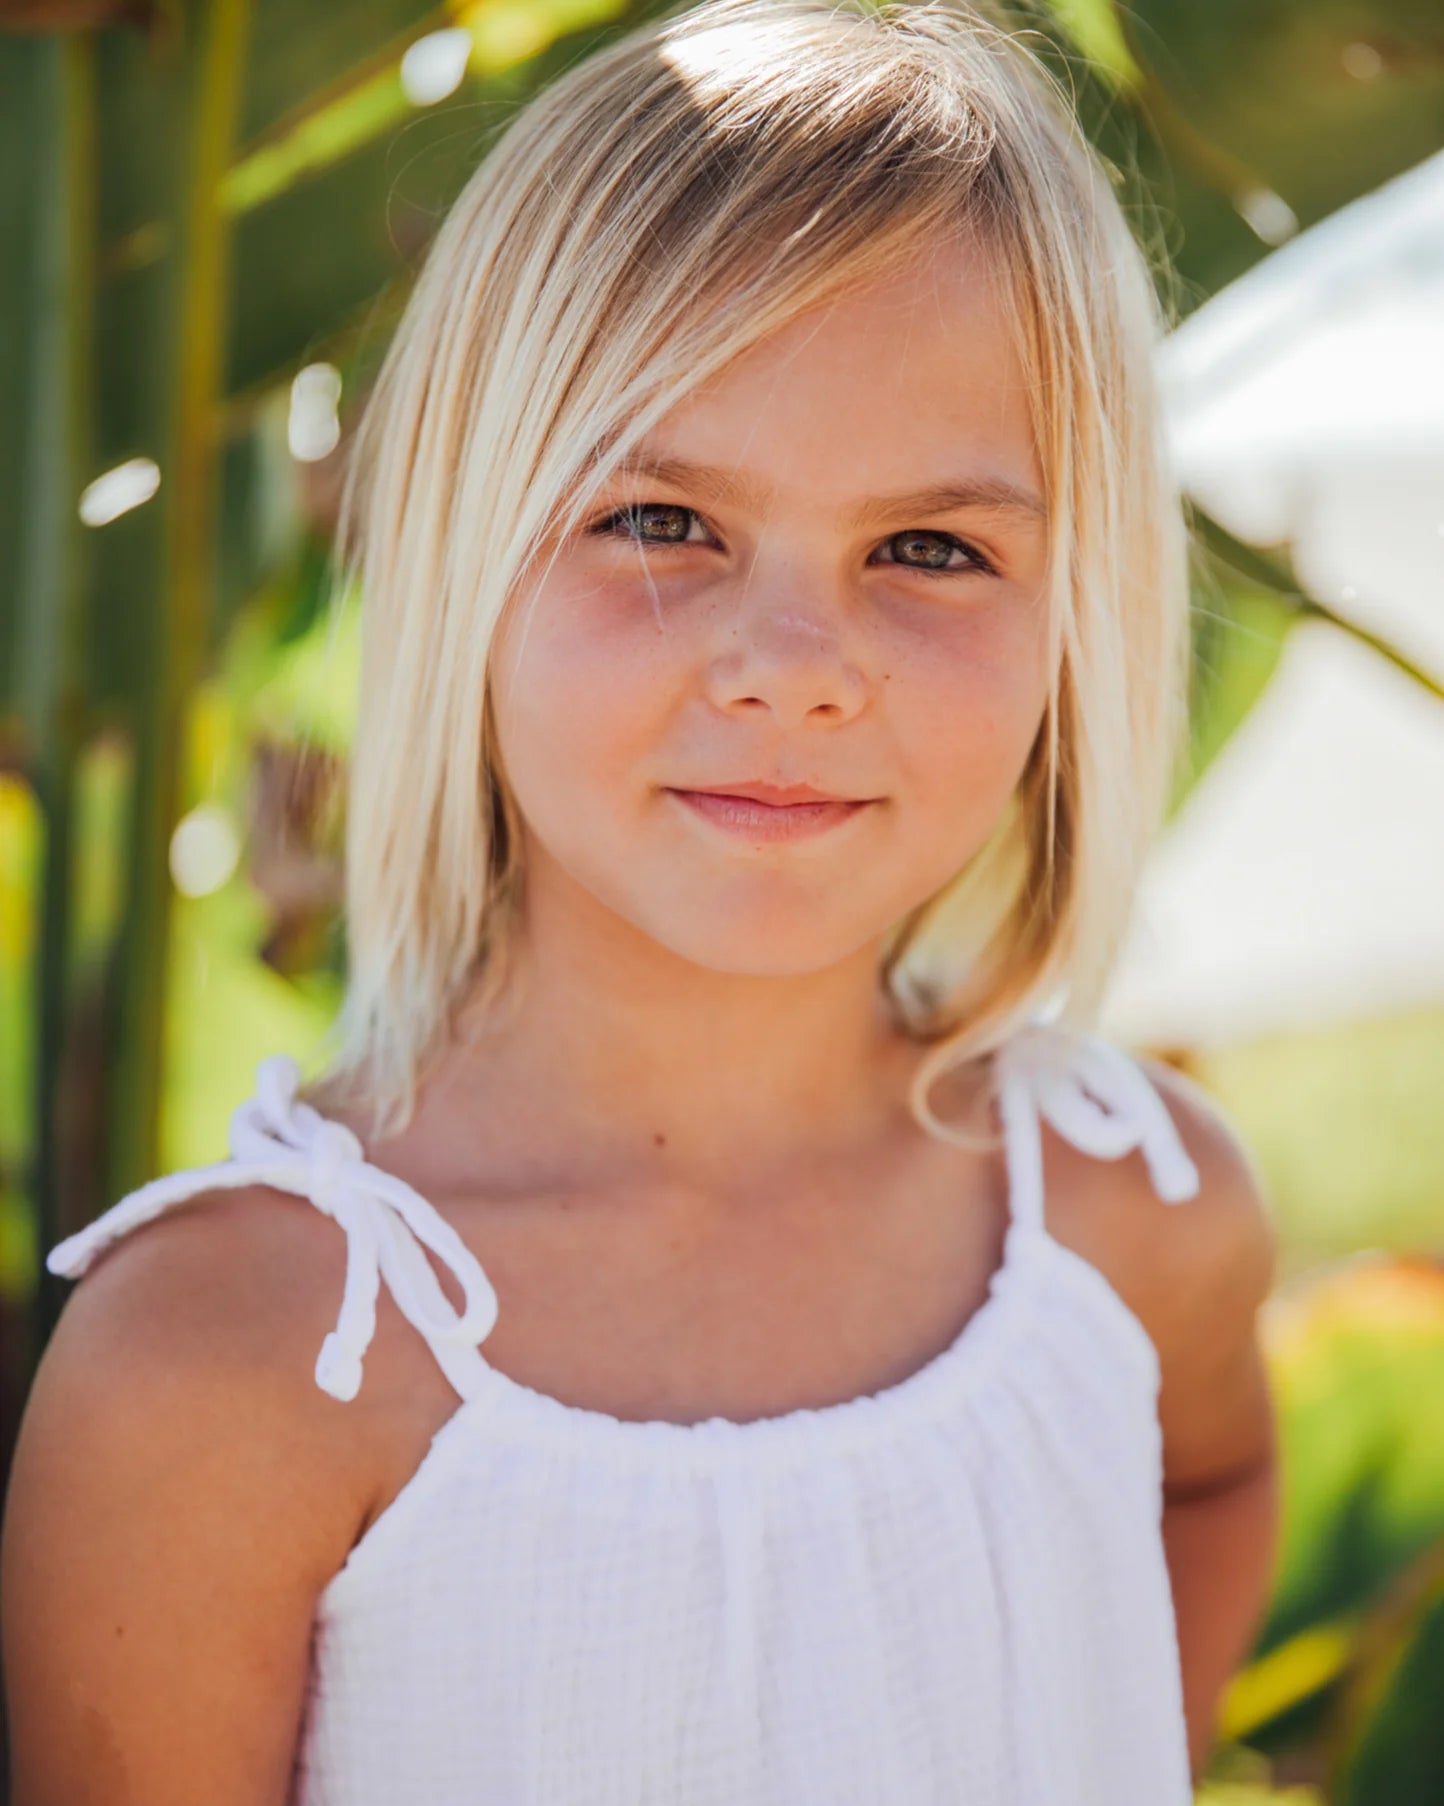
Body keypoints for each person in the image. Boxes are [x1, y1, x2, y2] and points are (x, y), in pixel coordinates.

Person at [1, 1, 1281, 1800]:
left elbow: (1209, 1483)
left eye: (929, 547)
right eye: (661, 520)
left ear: (1080, 608)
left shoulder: (1136, 1215)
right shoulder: (231, 1361)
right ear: (457, 539)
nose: (793, 666)